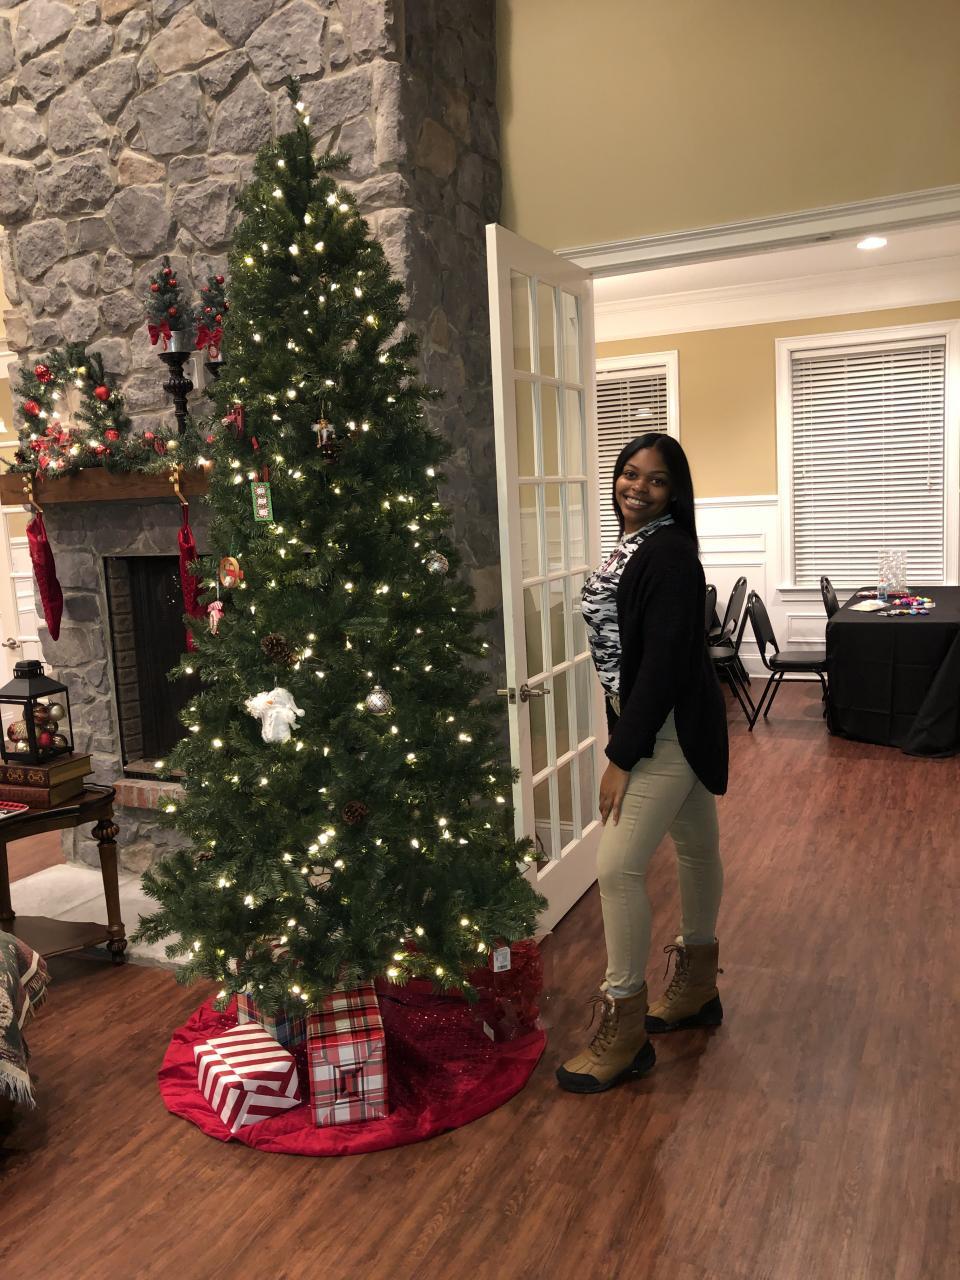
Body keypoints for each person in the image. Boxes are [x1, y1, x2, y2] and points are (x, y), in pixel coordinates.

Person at [556, 433, 729, 1094]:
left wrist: (622, 755)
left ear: (674, 492)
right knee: (696, 849)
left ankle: (625, 1028)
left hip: (666, 730)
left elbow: (659, 665)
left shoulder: (669, 554)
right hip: (661, 719)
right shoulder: (634, 545)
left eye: (656, 480)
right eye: (630, 474)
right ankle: (697, 990)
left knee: (617, 867)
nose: (638, 487)